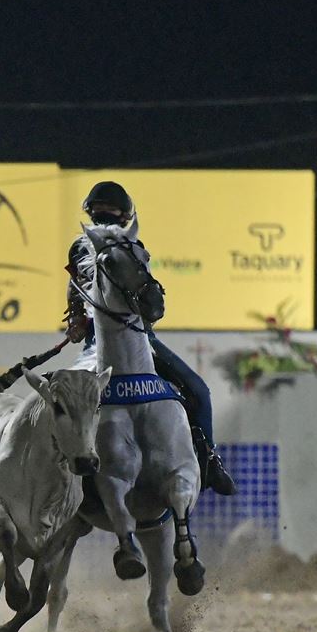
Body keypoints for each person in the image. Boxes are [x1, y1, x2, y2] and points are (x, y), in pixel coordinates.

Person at [65, 180, 237, 496]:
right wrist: (76, 319)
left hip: (140, 339)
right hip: (97, 344)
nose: (105, 215)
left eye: (109, 210)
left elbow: (145, 297)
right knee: (63, 404)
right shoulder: (81, 247)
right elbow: (75, 288)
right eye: (101, 210)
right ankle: (58, 476)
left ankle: (209, 460)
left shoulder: (132, 246)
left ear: (122, 216)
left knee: (198, 389)